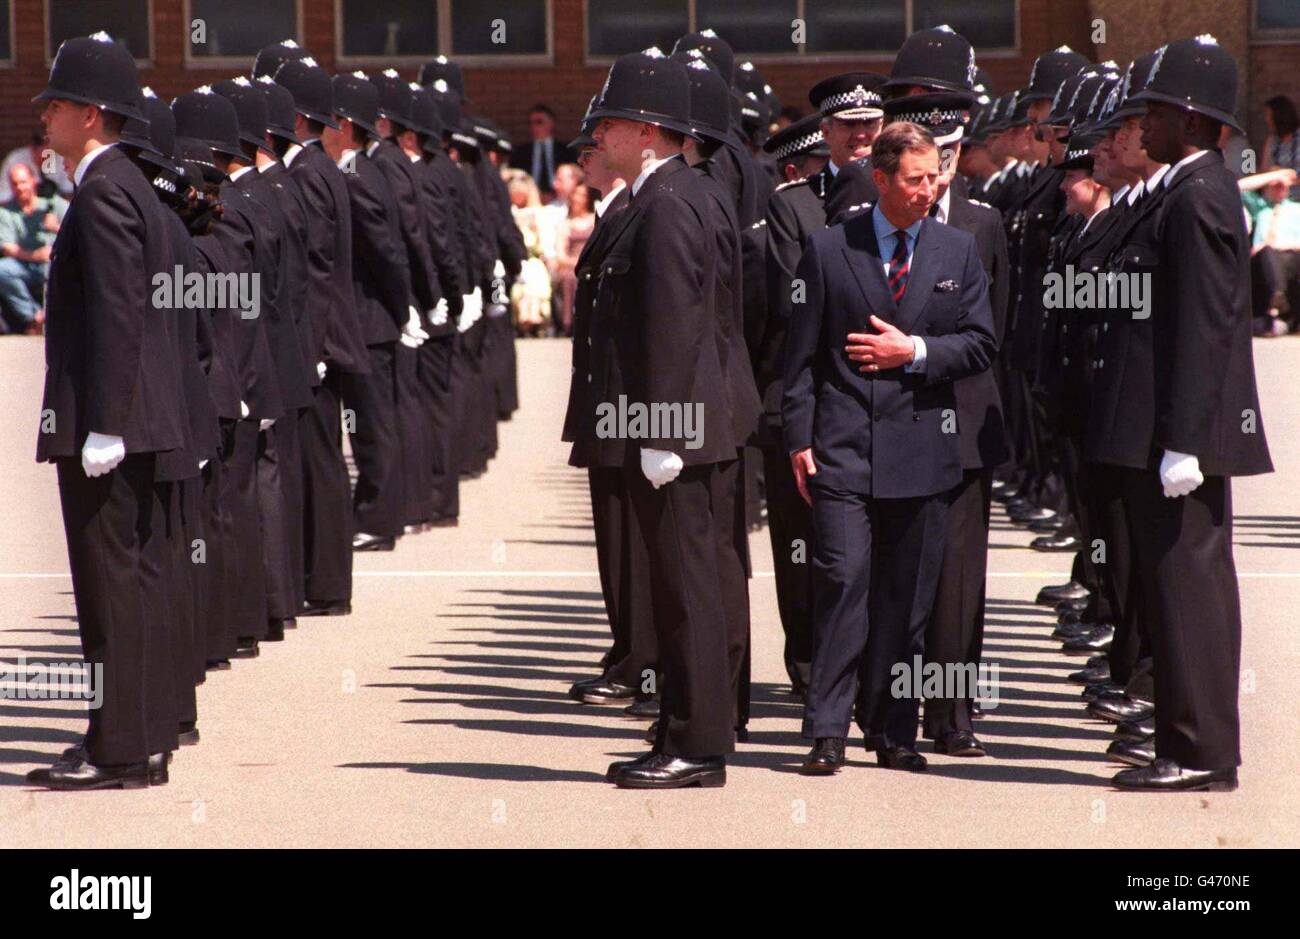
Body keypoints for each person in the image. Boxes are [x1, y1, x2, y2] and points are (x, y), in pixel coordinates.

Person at [782, 121, 996, 776]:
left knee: (907, 601)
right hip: (843, 448)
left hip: (924, 451)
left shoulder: (957, 251)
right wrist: (797, 437)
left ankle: (894, 728)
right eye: (915, 178)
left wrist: (917, 352)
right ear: (881, 179)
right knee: (843, 581)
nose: (929, 189)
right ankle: (827, 729)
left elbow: (982, 342)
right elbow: (798, 360)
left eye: (934, 177)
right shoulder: (827, 249)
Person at [1094, 36, 1272, 791]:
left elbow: (1206, 324)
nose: (1145, 125)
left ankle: (1201, 752)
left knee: (1189, 589)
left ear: (1194, 122)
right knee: (1174, 589)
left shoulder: (1199, 195)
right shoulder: (1183, 187)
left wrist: (1187, 440)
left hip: (1181, 436)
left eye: (1158, 112)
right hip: (1162, 429)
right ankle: (1183, 738)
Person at [580, 50, 747, 788]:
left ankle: (696, 742)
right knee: (687, 583)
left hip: (679, 427)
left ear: (646, 132)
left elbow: (677, 324)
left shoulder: (671, 201)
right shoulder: (677, 191)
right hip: (688, 421)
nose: (601, 134)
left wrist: (663, 432)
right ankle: (683, 722)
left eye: (610, 123)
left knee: (686, 589)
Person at [28, 32, 189, 790]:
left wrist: (107, 422)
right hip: (136, 418)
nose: (47, 117)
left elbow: (122, 312)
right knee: (138, 581)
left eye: (57, 104)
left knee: (110, 590)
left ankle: (119, 746)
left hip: (110, 422)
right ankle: (140, 732)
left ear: (92, 114)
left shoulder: (104, 191)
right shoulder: (134, 187)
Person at [0, 163, 66, 334]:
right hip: (25, 266)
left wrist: (57, 227)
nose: (20, 187)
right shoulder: (5, 211)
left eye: (23, 182)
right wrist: (36, 255)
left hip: (56, 263)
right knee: (2, 268)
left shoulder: (53, 204)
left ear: (33, 181)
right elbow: (8, 249)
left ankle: (58, 318)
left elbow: (79, 229)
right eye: (15, 184)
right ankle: (34, 317)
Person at [1249, 177, 1300, 335]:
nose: (1279, 189)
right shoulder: (1260, 209)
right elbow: (1241, 188)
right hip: (1263, 257)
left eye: (1282, 186)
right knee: (1267, 252)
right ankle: (1278, 296)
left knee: (1274, 252)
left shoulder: (1296, 209)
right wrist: (1272, 176)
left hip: (1291, 254)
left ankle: (1277, 297)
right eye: (1275, 186)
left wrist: (1283, 245)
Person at [551, 181, 594, 336]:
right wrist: (575, 262)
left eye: (582, 195)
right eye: (576, 195)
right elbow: (561, 254)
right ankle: (569, 323)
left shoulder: (595, 219)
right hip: (571, 263)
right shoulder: (565, 223)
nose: (578, 199)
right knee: (569, 277)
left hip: (592, 261)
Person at [512, 103, 575, 199]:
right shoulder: (521, 153)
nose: (534, 127)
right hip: (530, 202)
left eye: (539, 122)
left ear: (551, 123)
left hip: (560, 200)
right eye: (531, 123)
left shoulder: (567, 151)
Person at [0, 128, 74, 202]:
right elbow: (4, 197)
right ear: (32, 148)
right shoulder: (14, 159)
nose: (46, 159)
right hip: (21, 207)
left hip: (56, 206)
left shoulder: (61, 159)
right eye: (43, 156)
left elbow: (69, 193)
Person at [1262, 94, 1300, 199]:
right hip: (1276, 197)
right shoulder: (1272, 141)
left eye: (1268, 115)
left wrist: (1289, 179)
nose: (1266, 120)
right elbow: (1264, 170)